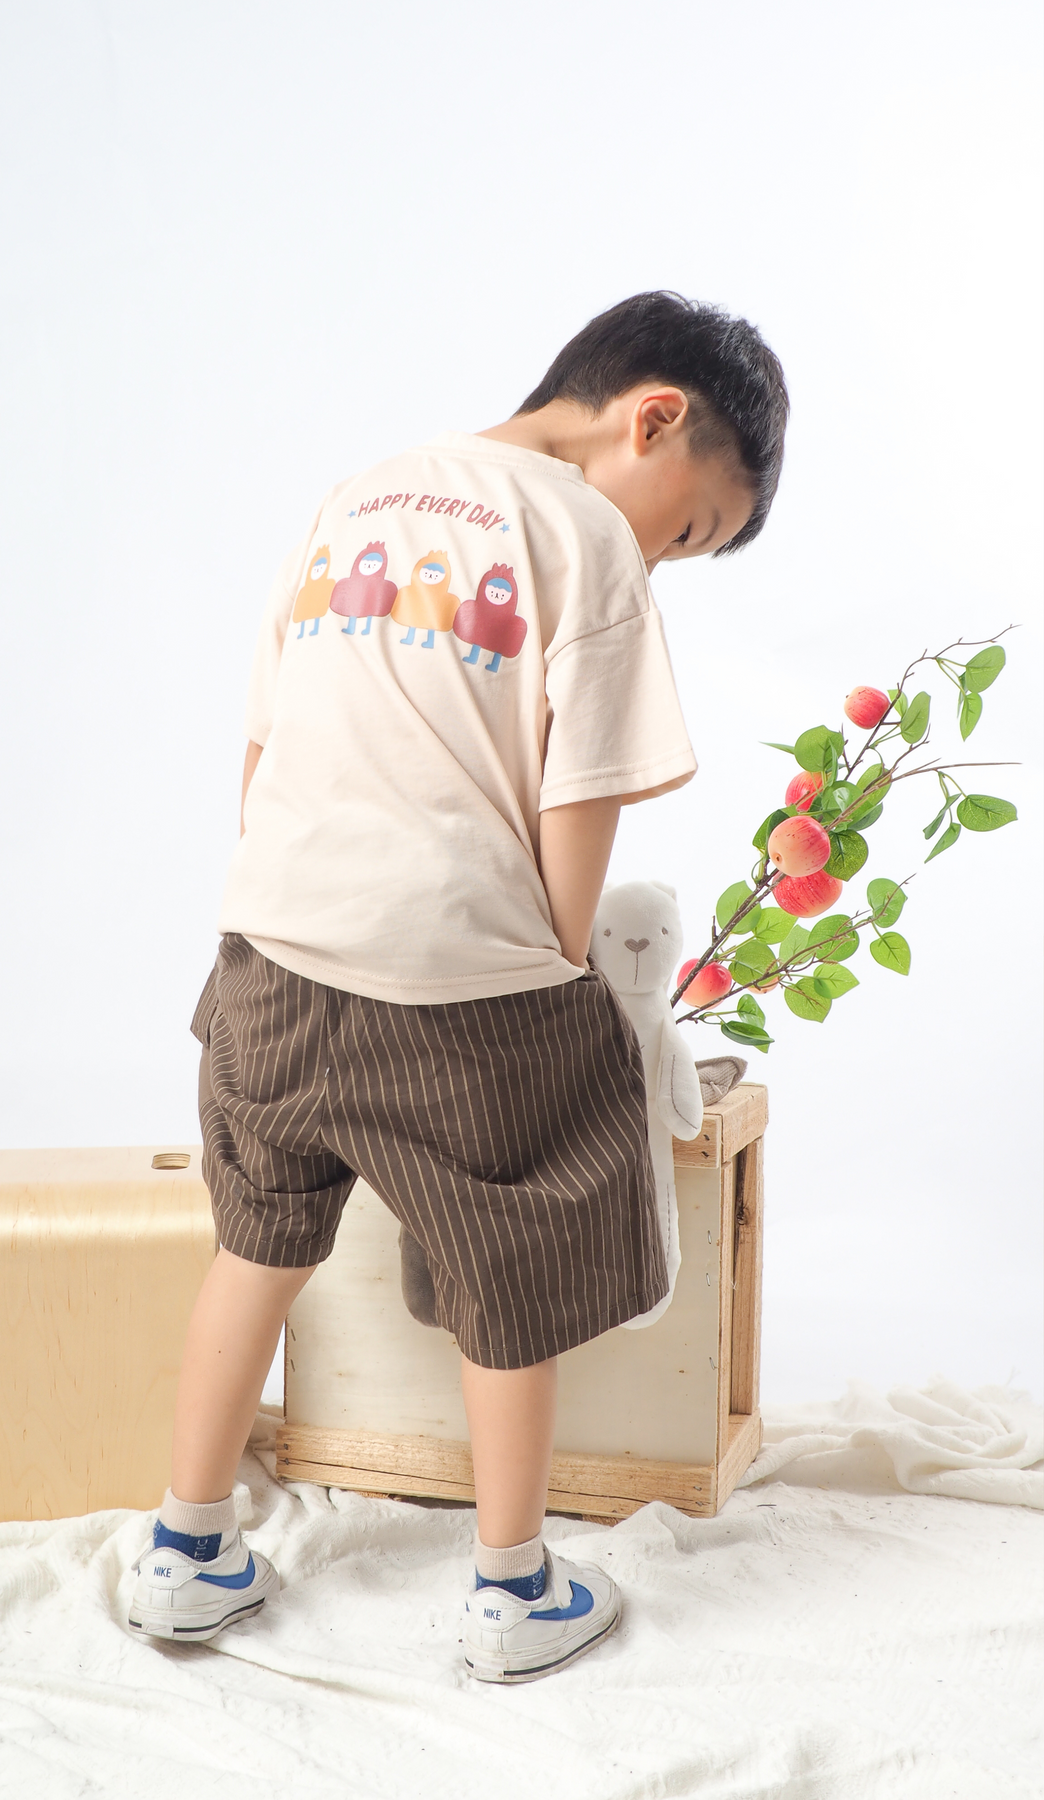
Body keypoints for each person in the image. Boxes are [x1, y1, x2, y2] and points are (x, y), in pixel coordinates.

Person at [128, 291, 788, 1682]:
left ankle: (183, 1550)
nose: (663, 560)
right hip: (460, 984)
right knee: (517, 1249)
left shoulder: (359, 494)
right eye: (687, 530)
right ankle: (513, 1587)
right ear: (653, 418)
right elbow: (583, 790)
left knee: (258, 1237)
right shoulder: (586, 539)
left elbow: (263, 747)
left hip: (271, 951)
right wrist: (557, 955)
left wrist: (285, 898)